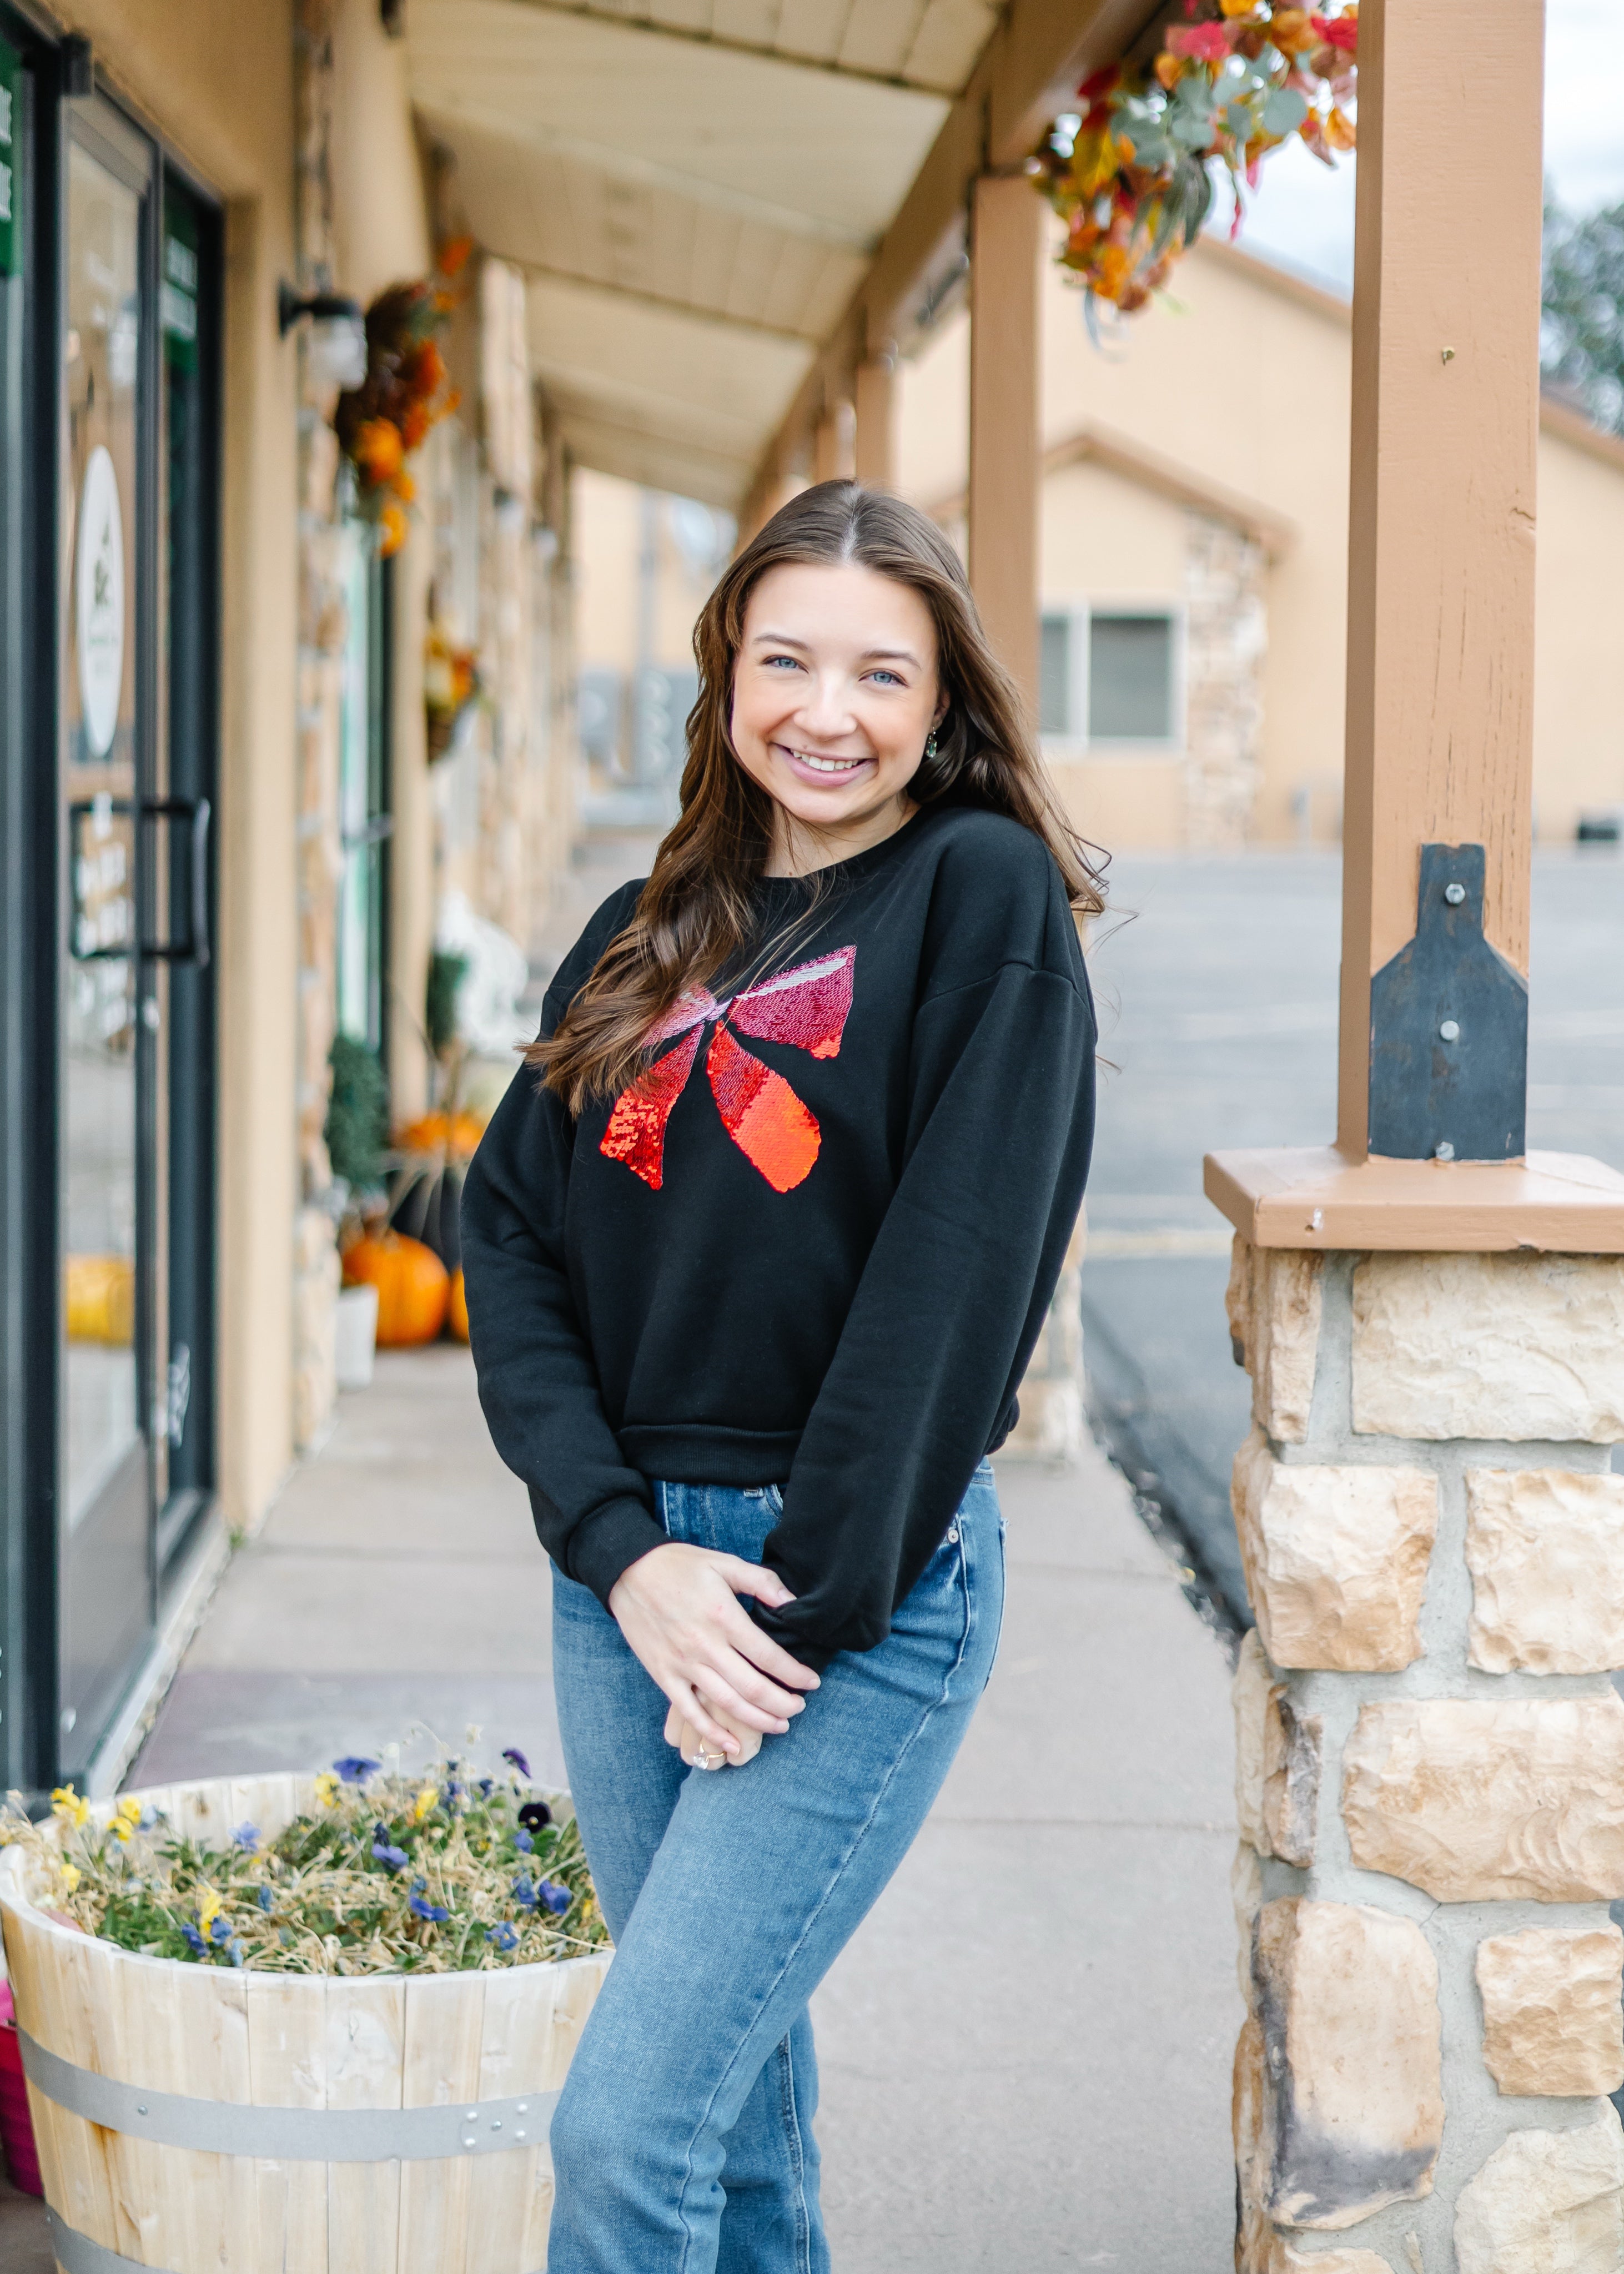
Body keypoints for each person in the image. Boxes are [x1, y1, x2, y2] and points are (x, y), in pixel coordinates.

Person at [461, 479, 1100, 2273]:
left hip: (850, 1586)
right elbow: (505, 1233)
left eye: (882, 674)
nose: (829, 713)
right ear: (728, 674)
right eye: (788, 662)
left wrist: (788, 1623)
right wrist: (623, 1555)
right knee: (725, 2123)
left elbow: (951, 1290)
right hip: (632, 1589)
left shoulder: (980, 900)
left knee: (626, 2127)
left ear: (944, 703)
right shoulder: (644, 925)